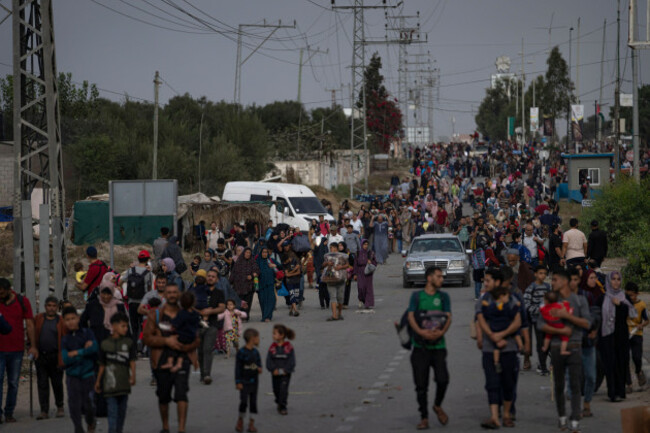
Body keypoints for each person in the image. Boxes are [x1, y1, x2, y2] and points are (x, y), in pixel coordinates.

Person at [538, 269, 591, 433]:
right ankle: (562, 417)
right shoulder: (550, 300)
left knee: (575, 385)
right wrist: (561, 332)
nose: (552, 283)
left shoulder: (579, 300)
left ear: (564, 281)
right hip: (555, 347)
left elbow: (587, 323)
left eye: (555, 279)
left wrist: (567, 316)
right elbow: (541, 324)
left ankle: (575, 420)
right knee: (559, 385)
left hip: (574, 346)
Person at [143, 283, 200, 433]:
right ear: (165, 295)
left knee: (181, 393)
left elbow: (196, 338)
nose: (172, 295)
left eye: (175, 292)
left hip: (183, 357)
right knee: (163, 395)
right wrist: (166, 341)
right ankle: (166, 427)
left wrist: (184, 347)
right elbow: (147, 338)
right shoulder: (155, 315)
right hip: (161, 358)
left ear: (179, 294)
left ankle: (181, 429)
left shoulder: (188, 313)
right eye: (169, 292)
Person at [407, 267, 451, 430]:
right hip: (420, 347)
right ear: (429, 278)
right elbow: (411, 316)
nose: (442, 279)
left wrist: (440, 332)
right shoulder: (417, 296)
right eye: (439, 277)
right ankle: (424, 417)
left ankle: (437, 405)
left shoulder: (444, 297)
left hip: (439, 346)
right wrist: (422, 332)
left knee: (443, 379)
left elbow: (448, 317)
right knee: (421, 386)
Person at [475, 268, 520, 429]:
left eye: (488, 280)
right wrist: (491, 336)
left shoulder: (511, 299)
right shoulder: (483, 300)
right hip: (489, 347)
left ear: (498, 282)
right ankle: (494, 417)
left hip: (509, 348)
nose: (485, 283)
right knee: (492, 383)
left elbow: (517, 322)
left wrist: (502, 335)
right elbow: (480, 319)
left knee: (508, 383)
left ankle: (507, 415)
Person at [0, 277, 37, 423]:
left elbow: (30, 325)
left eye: (2, 293)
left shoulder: (22, 301)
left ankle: (9, 412)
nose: (0, 296)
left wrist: (32, 345)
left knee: (13, 382)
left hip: (16, 349)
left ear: (10, 290)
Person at [597, 271, 637, 402]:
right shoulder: (603, 298)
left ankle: (621, 391)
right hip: (607, 336)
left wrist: (620, 305)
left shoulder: (624, 297)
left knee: (621, 363)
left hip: (621, 336)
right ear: (609, 281)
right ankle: (612, 393)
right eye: (613, 279)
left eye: (618, 279)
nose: (615, 282)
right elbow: (598, 317)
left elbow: (632, 314)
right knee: (610, 363)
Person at [94, 312, 136, 433]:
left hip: (124, 385)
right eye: (123, 326)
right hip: (109, 386)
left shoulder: (128, 343)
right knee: (112, 414)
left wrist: (133, 376)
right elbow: (102, 364)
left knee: (121, 414)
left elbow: (132, 361)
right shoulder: (105, 344)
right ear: (114, 326)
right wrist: (98, 381)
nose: (126, 329)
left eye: (126, 326)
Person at [61, 306, 98, 433]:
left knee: (89, 404)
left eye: (73, 318)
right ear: (64, 322)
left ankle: (90, 422)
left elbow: (94, 349)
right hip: (72, 376)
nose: (71, 322)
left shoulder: (87, 333)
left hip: (88, 374)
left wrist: (77, 352)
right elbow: (66, 359)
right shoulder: (65, 339)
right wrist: (85, 351)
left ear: (78, 318)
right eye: (67, 319)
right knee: (74, 406)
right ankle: (78, 428)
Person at [34, 296, 66, 420]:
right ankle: (44, 410)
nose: (51, 308)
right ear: (45, 306)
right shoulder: (38, 319)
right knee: (42, 384)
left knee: (57, 383)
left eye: (54, 306)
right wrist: (32, 347)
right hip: (41, 356)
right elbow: (32, 333)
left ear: (57, 307)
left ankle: (60, 407)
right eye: (49, 306)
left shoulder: (61, 321)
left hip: (56, 356)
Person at [192, 269, 225, 385]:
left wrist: (210, 311)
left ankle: (207, 374)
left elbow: (222, 307)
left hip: (212, 325)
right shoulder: (197, 290)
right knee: (200, 350)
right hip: (197, 324)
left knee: (207, 349)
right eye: (209, 276)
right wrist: (200, 312)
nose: (210, 278)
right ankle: (202, 373)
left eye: (213, 276)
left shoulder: (219, 293)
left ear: (216, 280)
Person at [481, 286, 523, 374]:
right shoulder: (505, 306)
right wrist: (516, 307)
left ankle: (496, 362)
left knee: (496, 348)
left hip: (494, 328)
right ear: (501, 297)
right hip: (504, 327)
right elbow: (511, 314)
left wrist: (485, 306)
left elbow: (486, 314)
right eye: (507, 297)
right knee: (515, 334)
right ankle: (520, 346)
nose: (508, 299)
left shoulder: (492, 306)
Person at [159, 291, 201, 373]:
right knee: (183, 351)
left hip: (181, 336)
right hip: (191, 336)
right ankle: (182, 363)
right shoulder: (195, 314)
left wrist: (168, 327)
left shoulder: (182, 313)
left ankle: (170, 362)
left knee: (171, 347)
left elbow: (175, 324)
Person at [523, 266, 551, 375]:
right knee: (540, 343)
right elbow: (526, 304)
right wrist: (538, 310)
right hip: (537, 319)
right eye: (540, 273)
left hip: (548, 319)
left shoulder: (547, 287)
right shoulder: (531, 287)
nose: (542, 275)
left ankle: (542, 363)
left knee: (547, 342)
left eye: (544, 273)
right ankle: (542, 366)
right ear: (535, 274)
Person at [235, 328, 262, 433]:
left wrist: (258, 368)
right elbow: (238, 369)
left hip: (254, 382)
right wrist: (238, 382)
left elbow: (259, 365)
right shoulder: (241, 352)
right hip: (244, 381)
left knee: (253, 403)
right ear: (252, 339)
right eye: (257, 337)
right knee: (244, 402)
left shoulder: (256, 352)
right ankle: (240, 420)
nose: (258, 339)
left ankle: (251, 423)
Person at [266, 324, 296, 416]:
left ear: (282, 335)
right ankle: (278, 400)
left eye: (275, 333)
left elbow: (292, 360)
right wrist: (272, 369)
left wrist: (286, 370)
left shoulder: (288, 347)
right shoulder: (272, 347)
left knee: (283, 389)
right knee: (276, 390)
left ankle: (283, 406)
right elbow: (269, 360)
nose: (273, 335)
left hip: (285, 374)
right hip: (275, 373)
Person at [125, 250, 153, 346]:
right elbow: (150, 288)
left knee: (133, 325)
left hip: (131, 302)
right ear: (147, 260)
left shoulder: (130, 270)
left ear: (138, 259)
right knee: (143, 325)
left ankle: (134, 348)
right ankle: (143, 346)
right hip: (143, 303)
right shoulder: (148, 273)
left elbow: (120, 280)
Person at [625, 282, 648, 390]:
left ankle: (638, 371)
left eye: (632, 295)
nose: (630, 298)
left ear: (637, 294)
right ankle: (628, 383)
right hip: (625, 333)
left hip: (637, 333)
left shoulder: (641, 305)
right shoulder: (624, 304)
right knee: (625, 359)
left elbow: (647, 320)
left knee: (637, 357)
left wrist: (641, 325)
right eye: (628, 295)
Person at [539, 291, 572, 356]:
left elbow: (541, 309)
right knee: (565, 338)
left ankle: (545, 347)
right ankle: (563, 350)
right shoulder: (558, 306)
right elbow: (566, 310)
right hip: (558, 324)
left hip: (549, 323)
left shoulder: (545, 308)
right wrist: (566, 304)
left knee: (547, 336)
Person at [229, 247, 259, 318]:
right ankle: (240, 316)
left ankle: (245, 316)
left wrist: (251, 276)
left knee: (247, 302)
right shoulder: (238, 261)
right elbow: (233, 272)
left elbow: (257, 271)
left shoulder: (252, 261)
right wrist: (229, 282)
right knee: (239, 302)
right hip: (238, 286)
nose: (248, 254)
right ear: (244, 253)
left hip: (249, 286)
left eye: (249, 253)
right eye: (246, 252)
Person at [322, 242, 349, 321]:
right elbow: (323, 265)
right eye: (330, 247)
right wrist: (327, 263)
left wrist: (341, 267)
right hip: (330, 278)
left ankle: (339, 314)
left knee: (340, 298)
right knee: (333, 297)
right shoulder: (327, 256)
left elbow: (347, 265)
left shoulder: (342, 256)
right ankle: (334, 315)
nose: (331, 249)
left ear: (336, 248)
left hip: (340, 279)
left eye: (333, 247)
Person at [256, 248, 278, 322]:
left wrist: (274, 265)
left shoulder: (270, 260)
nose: (265, 254)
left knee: (271, 300)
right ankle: (265, 315)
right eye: (263, 252)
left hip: (270, 284)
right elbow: (253, 270)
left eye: (266, 252)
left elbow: (280, 267)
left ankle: (268, 316)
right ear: (261, 253)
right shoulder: (257, 261)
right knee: (263, 301)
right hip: (261, 285)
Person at [354, 239, 377, 311]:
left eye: (367, 244)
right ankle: (361, 299)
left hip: (368, 272)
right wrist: (355, 274)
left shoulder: (370, 253)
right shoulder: (357, 253)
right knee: (361, 287)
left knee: (368, 288)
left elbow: (375, 263)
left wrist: (371, 262)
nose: (365, 246)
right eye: (364, 244)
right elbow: (355, 264)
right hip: (360, 272)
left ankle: (368, 303)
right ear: (361, 245)